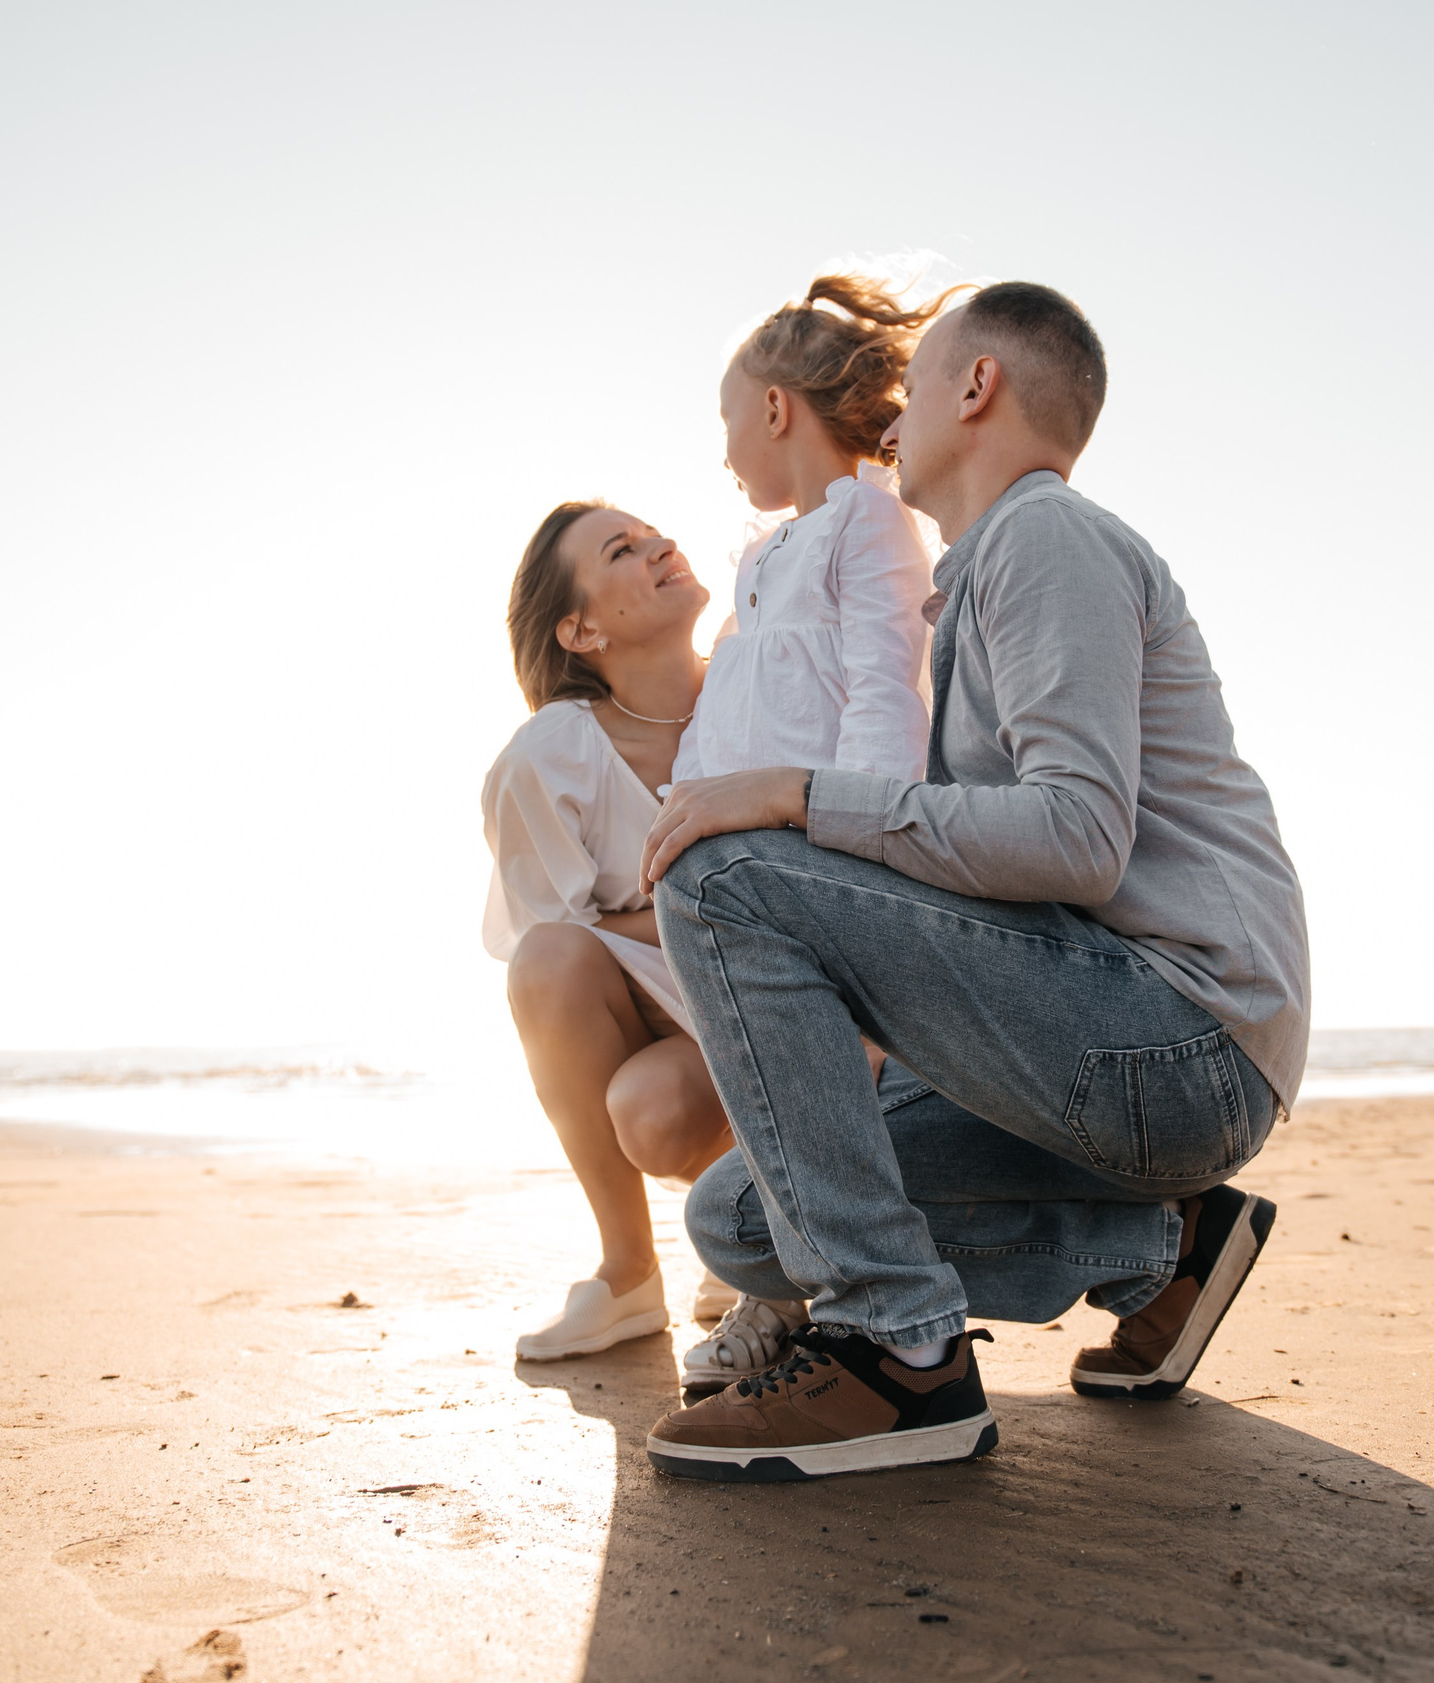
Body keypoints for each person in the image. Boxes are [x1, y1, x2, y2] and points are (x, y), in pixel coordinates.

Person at [635, 282, 1312, 1482]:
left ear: (978, 386)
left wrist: (793, 794)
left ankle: (897, 1355)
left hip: (1180, 1036)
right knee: (740, 1217)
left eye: (915, 385)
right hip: (1113, 1041)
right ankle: (1166, 1247)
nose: (890, 417)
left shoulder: (1045, 536)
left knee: (722, 874)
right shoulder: (985, 571)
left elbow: (1074, 837)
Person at [672, 275, 942, 1399]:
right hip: (744, 862)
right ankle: (774, 1275)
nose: (724, 447)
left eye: (728, 416)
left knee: (817, 1083)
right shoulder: (761, 556)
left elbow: (884, 688)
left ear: (776, 408)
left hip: (820, 852)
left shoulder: (868, 522)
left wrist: (854, 834)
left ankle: (791, 1293)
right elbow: (734, 706)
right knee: (768, 1081)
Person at [484, 502, 731, 1360]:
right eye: (623, 550)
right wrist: (697, 909)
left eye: (653, 532)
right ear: (581, 630)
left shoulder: (758, 682)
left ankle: (752, 1226)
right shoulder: (548, 759)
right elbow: (557, 942)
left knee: (653, 1104)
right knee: (550, 966)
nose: (661, 545)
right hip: (670, 1006)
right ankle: (628, 1273)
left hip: (794, 995)